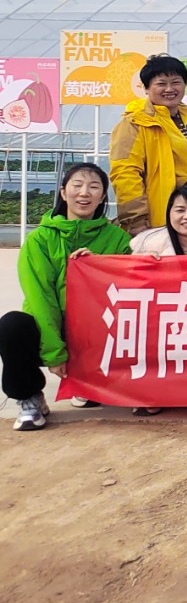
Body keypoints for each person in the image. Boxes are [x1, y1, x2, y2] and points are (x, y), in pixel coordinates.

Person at [3, 164, 131, 432]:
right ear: (63, 193)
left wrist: (100, 265)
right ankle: (29, 397)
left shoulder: (118, 239)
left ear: (102, 197)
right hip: (52, 329)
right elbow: (41, 298)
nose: (84, 193)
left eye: (94, 187)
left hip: (95, 329)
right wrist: (54, 353)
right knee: (12, 326)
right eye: (77, 185)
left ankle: (89, 383)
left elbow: (130, 285)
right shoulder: (39, 239)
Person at [110, 54, 187, 236]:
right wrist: (136, 219)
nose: (169, 89)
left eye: (176, 82)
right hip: (159, 219)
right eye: (161, 84)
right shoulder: (135, 123)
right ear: (146, 88)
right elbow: (125, 174)